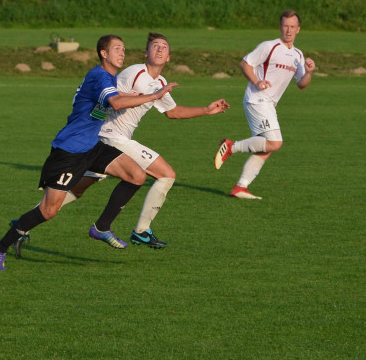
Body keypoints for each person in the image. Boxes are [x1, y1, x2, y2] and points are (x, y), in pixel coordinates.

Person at [0, 34, 177, 272]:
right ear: (104, 53)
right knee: (48, 211)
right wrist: (153, 96)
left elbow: (114, 101)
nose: (122, 53)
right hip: (69, 151)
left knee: (136, 176)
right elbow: (116, 104)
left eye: (124, 49)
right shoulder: (98, 76)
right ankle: (0, 247)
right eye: (117, 49)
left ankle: (101, 227)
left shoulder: (110, 78)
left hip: (93, 147)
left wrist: (136, 97)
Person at [35, 32, 229, 249]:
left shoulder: (161, 82)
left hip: (107, 139)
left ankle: (27, 222)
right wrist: (138, 98)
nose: (160, 49)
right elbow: (112, 96)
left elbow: (173, 112)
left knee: (78, 188)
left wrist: (207, 110)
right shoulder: (134, 72)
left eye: (164, 47)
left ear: (169, 58)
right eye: (155, 46)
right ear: (146, 53)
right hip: (110, 136)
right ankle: (141, 231)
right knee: (166, 174)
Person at [213, 10, 315, 199]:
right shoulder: (269, 46)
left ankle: (240, 187)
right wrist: (256, 82)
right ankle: (230, 146)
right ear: (280, 27)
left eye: (293, 27)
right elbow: (245, 63)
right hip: (257, 99)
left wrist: (308, 72)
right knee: (275, 143)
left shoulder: (298, 55)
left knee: (265, 148)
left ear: (298, 29)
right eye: (285, 26)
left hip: (268, 104)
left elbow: (302, 85)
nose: (289, 30)